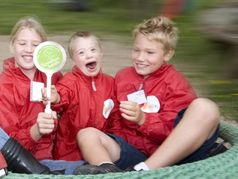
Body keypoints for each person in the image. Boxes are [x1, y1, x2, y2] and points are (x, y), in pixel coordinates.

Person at [74, 16, 222, 174]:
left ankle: (144, 171)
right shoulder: (123, 76)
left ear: (167, 54)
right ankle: (107, 171)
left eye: (149, 52)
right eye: (136, 50)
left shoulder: (175, 82)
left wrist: (143, 119)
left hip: (168, 155)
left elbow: (176, 131)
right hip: (132, 153)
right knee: (86, 134)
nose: (140, 58)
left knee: (206, 107)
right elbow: (114, 118)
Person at [0, 16, 84, 175]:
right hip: (19, 168)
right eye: (22, 43)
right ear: (12, 46)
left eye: (35, 45)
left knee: (96, 170)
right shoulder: (0, 89)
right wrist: (36, 130)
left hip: (56, 159)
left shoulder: (53, 76)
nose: (29, 49)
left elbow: (73, 110)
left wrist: (58, 100)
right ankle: (40, 174)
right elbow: (4, 144)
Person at [44, 31, 121, 173]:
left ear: (101, 54)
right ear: (73, 60)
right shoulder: (69, 82)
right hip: (70, 154)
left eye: (93, 50)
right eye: (81, 52)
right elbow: (63, 96)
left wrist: (115, 140)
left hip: (98, 152)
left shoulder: (110, 83)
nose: (89, 55)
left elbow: (115, 117)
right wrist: (56, 98)